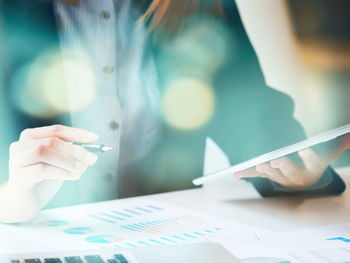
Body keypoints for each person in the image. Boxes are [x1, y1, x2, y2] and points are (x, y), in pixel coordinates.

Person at [0, 0, 348, 223]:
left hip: (170, 236)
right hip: (41, 235)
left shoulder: (194, 5)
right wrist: (10, 200)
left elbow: (255, 111)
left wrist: (292, 166)